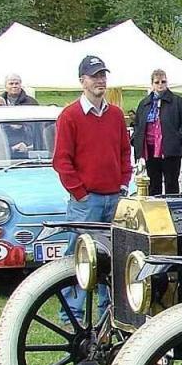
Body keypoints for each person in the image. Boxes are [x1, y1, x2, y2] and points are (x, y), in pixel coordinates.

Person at [53, 55, 132, 320]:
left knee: (114, 257)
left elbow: (124, 151)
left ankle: (108, 314)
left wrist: (123, 183)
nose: (100, 81)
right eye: (94, 76)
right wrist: (80, 193)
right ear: (82, 81)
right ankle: (71, 315)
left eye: (102, 75)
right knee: (79, 256)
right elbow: (62, 160)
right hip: (86, 201)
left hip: (114, 197)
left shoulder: (116, 115)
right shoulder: (70, 116)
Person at [132, 69, 182, 195]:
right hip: (150, 149)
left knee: (172, 183)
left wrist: (179, 139)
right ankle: (155, 206)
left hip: (170, 149)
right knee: (153, 184)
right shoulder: (144, 104)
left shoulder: (177, 102)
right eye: (157, 82)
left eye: (163, 82)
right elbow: (138, 124)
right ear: (152, 84)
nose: (160, 85)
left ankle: (172, 206)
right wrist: (136, 140)